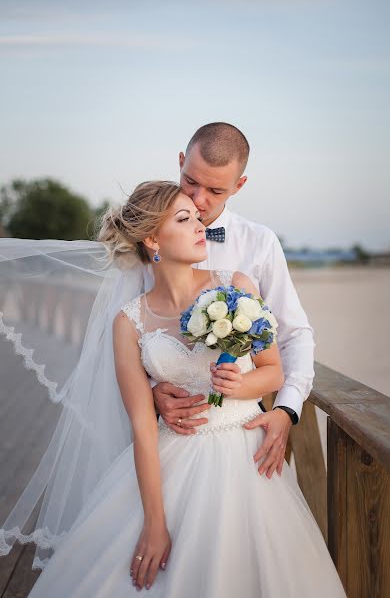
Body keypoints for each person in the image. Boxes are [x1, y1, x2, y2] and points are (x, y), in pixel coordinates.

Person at [21, 180, 346, 597]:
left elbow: (273, 372)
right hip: (173, 454)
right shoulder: (129, 321)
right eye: (184, 218)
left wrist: (241, 382)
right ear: (153, 239)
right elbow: (142, 427)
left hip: (247, 455)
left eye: (197, 217)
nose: (199, 226)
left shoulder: (237, 285)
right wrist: (155, 524)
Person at [147, 122, 316, 479]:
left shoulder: (260, 243)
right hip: (168, 437)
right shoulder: (151, 237)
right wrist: (150, 392)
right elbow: (134, 327)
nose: (198, 200)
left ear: (239, 186)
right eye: (190, 181)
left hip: (240, 438)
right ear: (180, 161)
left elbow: (293, 333)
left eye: (215, 190)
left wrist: (287, 409)